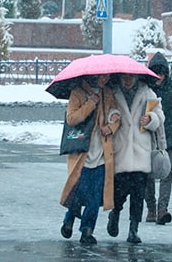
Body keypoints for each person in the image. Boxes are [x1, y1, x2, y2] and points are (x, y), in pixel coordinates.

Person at [58, 74, 120, 245]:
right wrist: (90, 103)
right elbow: (72, 119)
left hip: (102, 154)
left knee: (95, 196)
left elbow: (115, 113)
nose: (104, 79)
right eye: (101, 76)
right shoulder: (77, 92)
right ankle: (69, 219)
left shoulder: (107, 92)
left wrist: (113, 124)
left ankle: (87, 229)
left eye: (107, 76)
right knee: (78, 193)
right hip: (82, 154)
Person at [107, 72, 165, 244]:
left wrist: (150, 119)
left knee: (138, 195)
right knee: (119, 193)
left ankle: (133, 229)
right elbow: (106, 112)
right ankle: (115, 213)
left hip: (141, 151)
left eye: (130, 78)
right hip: (122, 150)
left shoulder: (148, 93)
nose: (127, 81)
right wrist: (112, 117)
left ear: (137, 78)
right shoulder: (113, 92)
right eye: (124, 78)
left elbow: (160, 116)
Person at [145, 52, 172, 225]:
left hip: (169, 136)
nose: (159, 77)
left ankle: (162, 209)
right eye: (156, 73)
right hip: (148, 135)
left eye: (161, 73)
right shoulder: (145, 89)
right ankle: (151, 208)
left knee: (166, 174)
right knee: (147, 174)